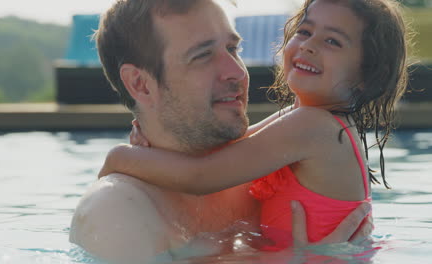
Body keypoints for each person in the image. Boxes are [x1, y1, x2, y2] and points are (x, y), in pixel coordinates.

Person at [70, 0, 373, 263]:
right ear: (140, 84)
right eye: (202, 56)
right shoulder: (119, 214)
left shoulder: (265, 170)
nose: (238, 72)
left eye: (232, 48)